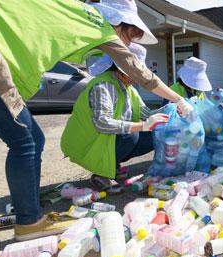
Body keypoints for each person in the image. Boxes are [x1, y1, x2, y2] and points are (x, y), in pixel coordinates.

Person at [0, 0, 192, 241]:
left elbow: (143, 106)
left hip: (0, 52)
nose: (129, 43)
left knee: (33, 138)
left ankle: (27, 207)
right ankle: (29, 220)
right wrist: (179, 100)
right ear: (120, 23)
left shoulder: (78, 13)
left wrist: (164, 117)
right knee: (24, 143)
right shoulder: (100, 29)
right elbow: (140, 74)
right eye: (131, 36)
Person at [61, 44, 170, 190]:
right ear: (120, 69)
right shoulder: (103, 85)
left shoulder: (128, 88)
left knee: (153, 136)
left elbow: (146, 113)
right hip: (89, 143)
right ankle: (101, 174)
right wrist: (143, 125)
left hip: (105, 140)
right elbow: (102, 123)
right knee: (131, 136)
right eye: (134, 72)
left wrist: (170, 109)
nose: (137, 78)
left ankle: (112, 165)